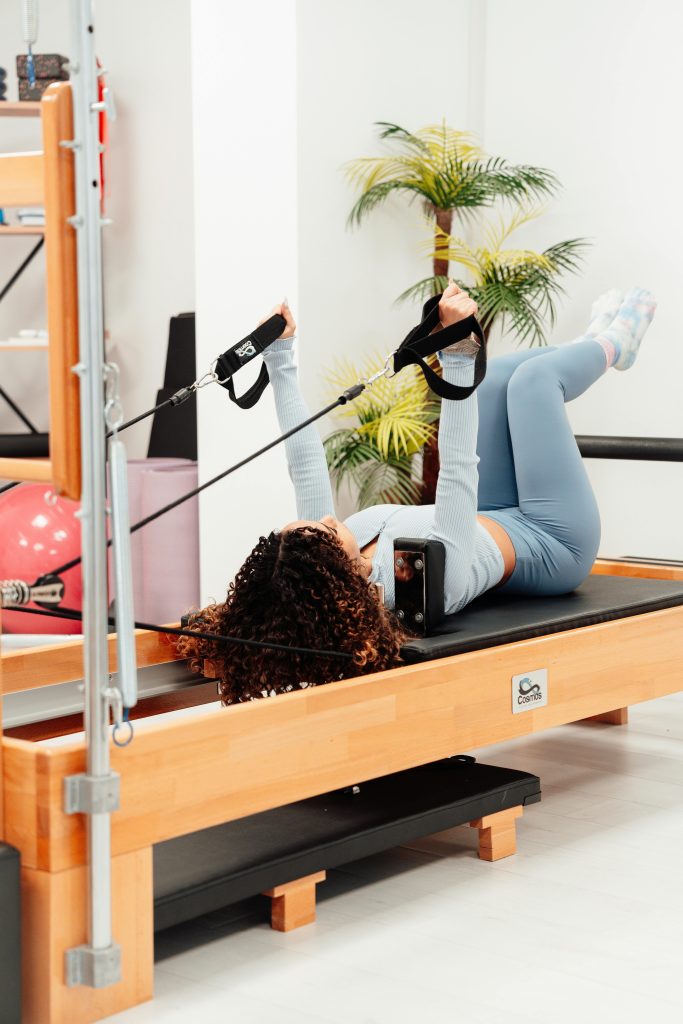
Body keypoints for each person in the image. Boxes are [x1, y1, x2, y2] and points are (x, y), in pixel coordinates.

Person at [177, 285, 656, 703]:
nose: (326, 519)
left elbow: (304, 464)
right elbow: (457, 477)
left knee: (495, 387)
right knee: (533, 383)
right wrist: (458, 355)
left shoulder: (322, 551)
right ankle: (614, 343)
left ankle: (583, 347)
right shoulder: (415, 583)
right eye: (322, 528)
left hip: (495, 510)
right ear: (341, 569)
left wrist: (280, 356)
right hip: (553, 540)